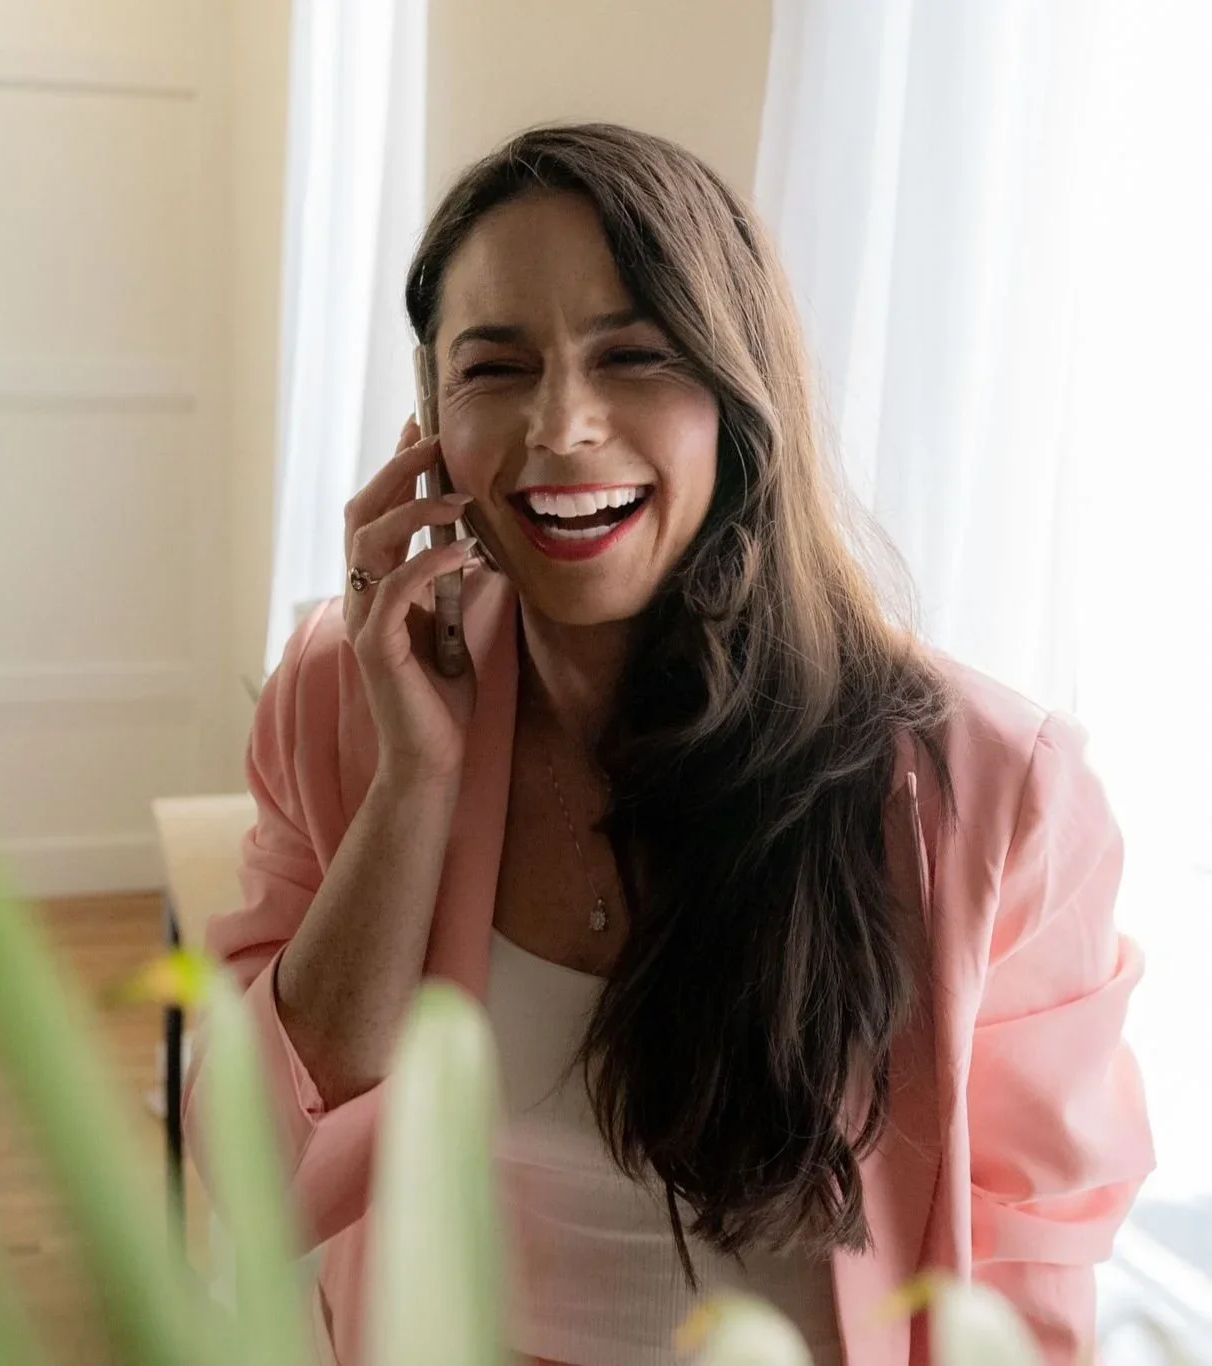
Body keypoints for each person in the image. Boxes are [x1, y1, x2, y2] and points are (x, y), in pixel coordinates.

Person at [183, 124, 1153, 1366]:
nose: (562, 426)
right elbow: (253, 1179)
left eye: (633, 355)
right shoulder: (342, 698)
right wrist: (412, 786)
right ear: (429, 423)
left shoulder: (996, 794)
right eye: (495, 368)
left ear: (736, 401)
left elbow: (1026, 1276)